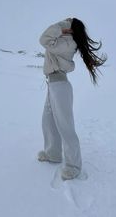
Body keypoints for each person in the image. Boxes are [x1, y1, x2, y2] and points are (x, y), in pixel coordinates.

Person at [37, 18, 107, 180]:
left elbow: (44, 38)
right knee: (48, 121)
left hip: (60, 86)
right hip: (53, 85)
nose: (62, 24)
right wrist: (63, 29)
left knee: (65, 127)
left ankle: (74, 166)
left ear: (70, 28)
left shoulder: (68, 43)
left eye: (65, 23)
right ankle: (52, 153)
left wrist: (61, 28)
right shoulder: (63, 40)